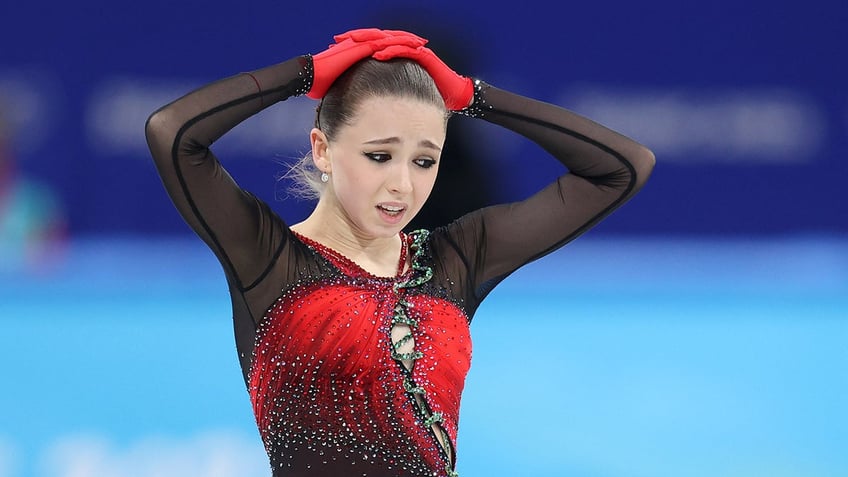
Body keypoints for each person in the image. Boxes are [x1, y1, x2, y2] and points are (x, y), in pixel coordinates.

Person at [145, 28, 655, 477]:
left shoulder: (455, 261)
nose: (402, 185)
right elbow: (173, 133)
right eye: (379, 155)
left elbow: (623, 168)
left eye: (424, 161)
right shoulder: (270, 260)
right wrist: (306, 74)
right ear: (323, 149)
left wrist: (470, 95)